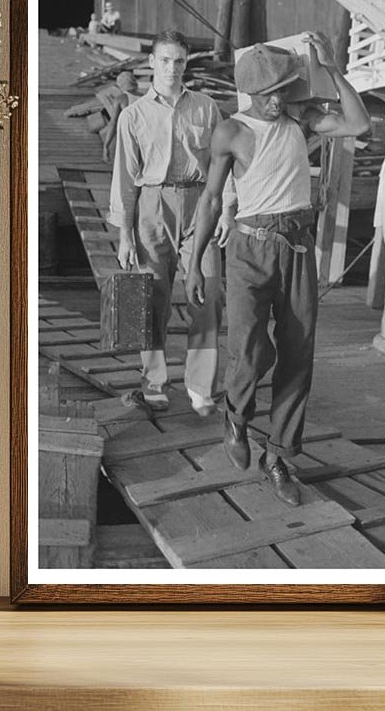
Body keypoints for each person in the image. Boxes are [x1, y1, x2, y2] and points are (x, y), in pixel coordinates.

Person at [185, 33, 370, 505]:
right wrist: (194, 261)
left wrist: (331, 68)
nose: (275, 101)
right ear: (250, 93)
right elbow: (209, 199)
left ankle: (280, 456)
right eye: (267, 94)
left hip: (299, 249)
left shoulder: (302, 120)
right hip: (249, 249)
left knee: (297, 352)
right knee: (248, 349)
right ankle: (236, 416)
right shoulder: (231, 132)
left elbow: (358, 122)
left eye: (283, 90)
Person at [108, 31, 228, 415]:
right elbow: (125, 180)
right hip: (152, 206)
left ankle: (200, 386)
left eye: (179, 61)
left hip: (200, 202)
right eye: (165, 60)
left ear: (186, 63)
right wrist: (125, 234)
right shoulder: (133, 116)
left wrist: (226, 208)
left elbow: (223, 164)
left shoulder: (207, 108)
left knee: (208, 293)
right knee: (152, 298)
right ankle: (155, 381)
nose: (172, 68)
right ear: (151, 63)